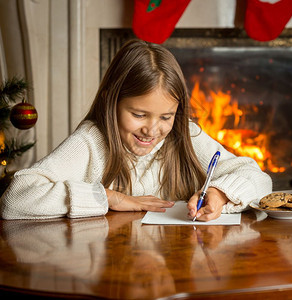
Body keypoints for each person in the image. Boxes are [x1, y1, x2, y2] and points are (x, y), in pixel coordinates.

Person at [0, 39, 272, 221]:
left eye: (166, 116)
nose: (152, 130)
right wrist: (108, 197)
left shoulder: (184, 134)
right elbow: (16, 199)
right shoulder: (92, 141)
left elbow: (259, 179)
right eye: (139, 114)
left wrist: (220, 193)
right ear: (110, 100)